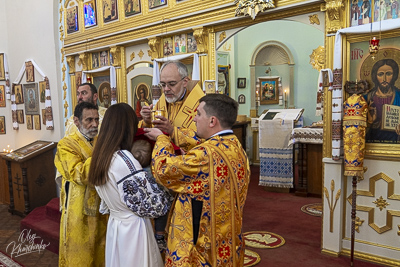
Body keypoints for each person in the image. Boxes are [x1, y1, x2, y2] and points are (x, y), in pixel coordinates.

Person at [144, 93, 250, 266]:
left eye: (198, 114)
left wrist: (162, 138)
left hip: (203, 246)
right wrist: (173, 132)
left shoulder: (205, 155)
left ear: (212, 121)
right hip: (228, 239)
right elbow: (200, 143)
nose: (194, 119)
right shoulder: (235, 146)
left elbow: (163, 169)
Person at [88, 103, 172, 267]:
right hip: (133, 230)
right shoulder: (124, 159)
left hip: (116, 224)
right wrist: (168, 186)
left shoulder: (101, 156)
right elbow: (153, 206)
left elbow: (105, 204)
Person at [54, 101, 108, 266]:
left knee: (102, 247)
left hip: (102, 203)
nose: (94, 124)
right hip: (79, 208)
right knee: (81, 251)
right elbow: (77, 172)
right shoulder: (66, 144)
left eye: (96, 120)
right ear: (76, 121)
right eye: (88, 120)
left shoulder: (102, 140)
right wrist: (105, 155)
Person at [139, 60, 205, 145]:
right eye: (163, 85)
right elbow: (151, 133)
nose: (166, 89)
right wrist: (147, 121)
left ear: (185, 82)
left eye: (172, 84)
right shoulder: (163, 100)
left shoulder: (201, 104)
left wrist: (172, 131)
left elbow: (205, 140)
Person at [131, 138, 171, 253]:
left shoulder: (132, 171)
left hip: (139, 206)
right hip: (156, 203)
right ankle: (159, 236)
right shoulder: (153, 171)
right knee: (163, 212)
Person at [364, 58, 400, 142]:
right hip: (372, 140)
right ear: (375, 76)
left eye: (388, 74)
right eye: (380, 74)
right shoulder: (366, 98)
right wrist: (369, 122)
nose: (384, 79)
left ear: (394, 75)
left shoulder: (399, 96)